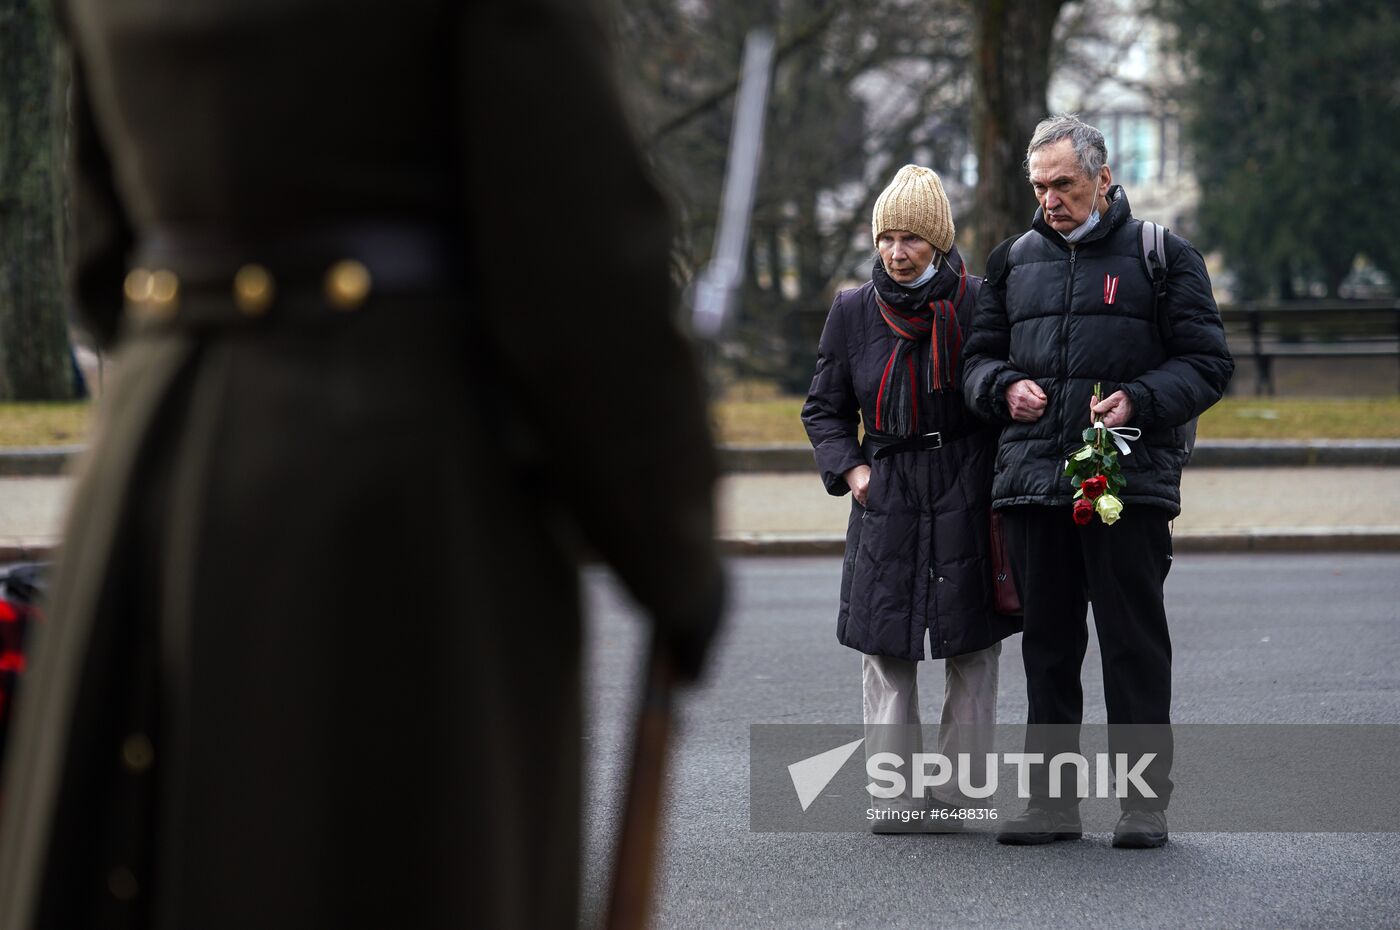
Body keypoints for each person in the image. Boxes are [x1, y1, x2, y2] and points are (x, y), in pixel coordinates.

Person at [0, 2, 724, 928]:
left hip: (158, 453)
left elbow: (105, 267)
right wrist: (671, 547)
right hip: (398, 477)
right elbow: (577, 254)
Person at [962, 114, 1233, 849]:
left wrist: (1140, 399)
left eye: (1065, 185)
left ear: (1103, 178)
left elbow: (1209, 364)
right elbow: (976, 364)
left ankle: (1144, 806)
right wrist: (1004, 388)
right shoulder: (1012, 261)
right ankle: (1051, 807)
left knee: (1132, 646)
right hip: (1032, 484)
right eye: (1040, 186)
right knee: (1047, 648)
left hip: (1124, 484)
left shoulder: (1162, 256)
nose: (1050, 199)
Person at [802, 165, 1021, 833]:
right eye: (887, 238)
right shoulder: (851, 311)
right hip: (888, 486)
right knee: (887, 647)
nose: (897, 253)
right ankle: (895, 797)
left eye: (912, 239)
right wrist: (853, 472)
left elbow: (1003, 387)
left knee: (972, 646)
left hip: (967, 482)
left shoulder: (983, 302)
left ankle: (958, 796)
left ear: (939, 241)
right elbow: (824, 409)